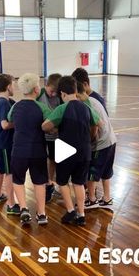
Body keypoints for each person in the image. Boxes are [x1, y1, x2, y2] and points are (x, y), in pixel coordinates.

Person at [42, 76, 101, 226]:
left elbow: (45, 126)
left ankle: (70, 211)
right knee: (79, 183)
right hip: (85, 150)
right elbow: (98, 123)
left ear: (62, 93)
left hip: (66, 150)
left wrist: (56, 126)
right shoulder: (86, 107)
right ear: (75, 90)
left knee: (62, 181)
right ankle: (81, 214)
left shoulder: (62, 108)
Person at [8, 73, 51, 226]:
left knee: (18, 180)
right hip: (37, 150)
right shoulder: (42, 107)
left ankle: (24, 208)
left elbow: (10, 121)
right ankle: (41, 214)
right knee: (39, 182)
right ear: (35, 89)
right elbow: (49, 124)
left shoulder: (15, 106)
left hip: (18, 150)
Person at [77, 82, 116, 209]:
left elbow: (94, 126)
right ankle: (107, 198)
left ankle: (92, 200)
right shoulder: (93, 98)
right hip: (111, 140)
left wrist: (89, 141)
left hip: (101, 144)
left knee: (91, 173)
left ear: (77, 94)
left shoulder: (87, 105)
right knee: (106, 172)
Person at [0, 73, 20, 215]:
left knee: (0, 170)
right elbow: (4, 125)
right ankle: (11, 204)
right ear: (8, 86)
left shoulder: (8, 101)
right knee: (9, 172)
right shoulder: (3, 102)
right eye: (13, 84)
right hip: (3, 142)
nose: (14, 87)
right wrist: (18, 124)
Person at [37, 73, 61, 202]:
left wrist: (56, 129)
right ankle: (43, 183)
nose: (53, 94)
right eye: (51, 91)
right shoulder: (39, 94)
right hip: (41, 134)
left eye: (55, 93)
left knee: (53, 160)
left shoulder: (59, 97)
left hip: (54, 136)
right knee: (41, 159)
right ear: (45, 85)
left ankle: (50, 183)